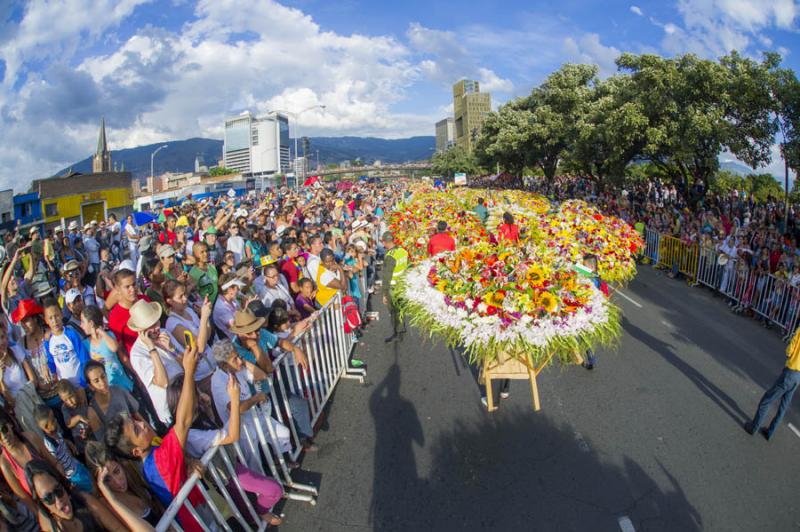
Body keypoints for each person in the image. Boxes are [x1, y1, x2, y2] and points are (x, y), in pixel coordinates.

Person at [105, 342, 212, 532]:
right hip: (200, 524)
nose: (141, 423)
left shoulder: (152, 458)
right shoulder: (159, 461)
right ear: (136, 451)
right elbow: (184, 421)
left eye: (135, 422)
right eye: (136, 430)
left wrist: (188, 462)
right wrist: (188, 372)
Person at [165, 374, 283, 527]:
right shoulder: (191, 434)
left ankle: (257, 516)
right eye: (196, 392)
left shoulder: (193, 421)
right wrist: (234, 399)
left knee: (246, 508)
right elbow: (231, 435)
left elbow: (218, 430)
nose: (201, 395)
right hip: (226, 474)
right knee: (273, 491)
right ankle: (261, 513)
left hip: (228, 466)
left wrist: (208, 409)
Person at [24, 459, 132, 531]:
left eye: (58, 490)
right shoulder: (50, 525)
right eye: (48, 498)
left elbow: (119, 529)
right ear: (42, 503)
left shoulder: (85, 500)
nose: (58, 500)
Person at [126, 300, 185, 425]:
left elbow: (188, 364)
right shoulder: (137, 354)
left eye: (156, 322)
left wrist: (172, 349)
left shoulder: (165, 333)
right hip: (172, 408)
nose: (157, 328)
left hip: (187, 392)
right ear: (141, 331)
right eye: (151, 326)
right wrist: (152, 348)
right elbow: (162, 382)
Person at [84, 441, 162, 527]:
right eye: (107, 479)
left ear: (120, 464)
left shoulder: (133, 476)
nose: (117, 482)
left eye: (117, 471)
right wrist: (112, 499)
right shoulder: (108, 506)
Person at [745, 326, 800, 440]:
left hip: (791, 371)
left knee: (767, 400)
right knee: (783, 407)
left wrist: (789, 353)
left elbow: (792, 346)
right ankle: (770, 432)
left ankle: (753, 427)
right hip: (798, 376)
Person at [32, 405, 94, 493]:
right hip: (73, 475)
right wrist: (66, 481)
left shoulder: (55, 432)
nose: (56, 420)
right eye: (53, 420)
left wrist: (68, 442)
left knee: (92, 479)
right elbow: (56, 464)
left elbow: (61, 440)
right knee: (91, 489)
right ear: (46, 427)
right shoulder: (49, 445)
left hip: (75, 464)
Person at [84, 361, 141, 442]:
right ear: (91, 386)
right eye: (96, 381)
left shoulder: (119, 390)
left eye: (103, 376)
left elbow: (137, 416)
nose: (102, 383)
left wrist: (154, 437)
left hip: (139, 439)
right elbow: (103, 442)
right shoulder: (92, 411)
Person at [42, 299, 90, 389]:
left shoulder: (71, 334)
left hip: (82, 386)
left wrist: (83, 384)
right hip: (67, 390)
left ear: (62, 314)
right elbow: (52, 362)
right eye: (50, 318)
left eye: (56, 316)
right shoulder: (48, 341)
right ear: (46, 320)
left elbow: (84, 359)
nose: (54, 321)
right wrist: (46, 367)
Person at [380, 232, 408, 342]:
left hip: (393, 288)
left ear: (384, 242)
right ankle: (401, 328)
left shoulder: (390, 256)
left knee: (393, 311)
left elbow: (386, 278)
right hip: (403, 286)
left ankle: (397, 333)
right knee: (401, 309)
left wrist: (384, 294)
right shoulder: (403, 251)